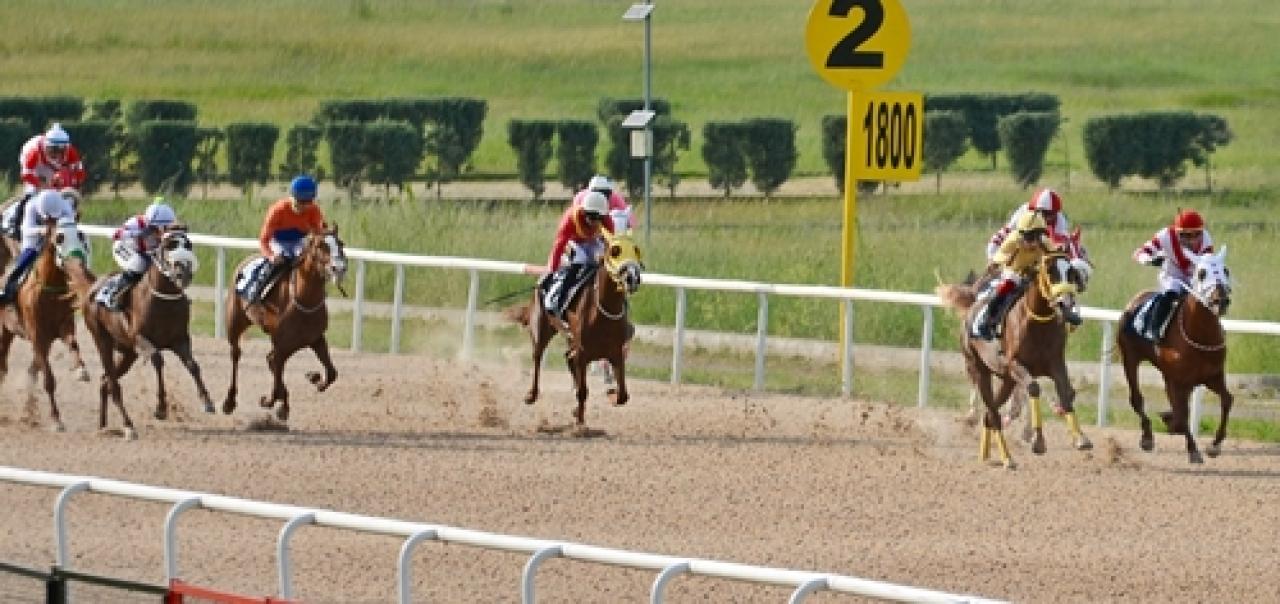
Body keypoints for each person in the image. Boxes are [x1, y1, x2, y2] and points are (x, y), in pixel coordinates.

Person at [1131, 209, 1216, 342]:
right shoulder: (1164, 235)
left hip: (1193, 277)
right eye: (1185, 235)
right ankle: (1154, 329)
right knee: (1172, 291)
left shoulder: (1206, 239)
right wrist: (1150, 259)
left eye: (1196, 235)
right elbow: (1140, 252)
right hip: (1171, 275)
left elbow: (1208, 263)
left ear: (1201, 232)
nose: (1192, 240)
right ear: (1177, 232)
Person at [971, 211, 1058, 340]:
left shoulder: (1045, 243)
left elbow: (1056, 256)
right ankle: (987, 320)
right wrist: (993, 264)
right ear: (1021, 235)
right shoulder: (1013, 240)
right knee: (1007, 286)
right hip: (1014, 272)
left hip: (1036, 275)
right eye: (1029, 238)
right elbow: (999, 257)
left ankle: (1065, 319)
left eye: (1037, 237)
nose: (1034, 243)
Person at [245, 175, 326, 308]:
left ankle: (317, 293)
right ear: (291, 197)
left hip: (299, 240)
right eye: (299, 203)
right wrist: (271, 256)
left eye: (307, 203)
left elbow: (320, 231)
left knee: (310, 259)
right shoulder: (277, 210)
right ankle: (256, 294)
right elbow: (264, 240)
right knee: (281, 259)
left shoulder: (313, 210)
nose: (303, 207)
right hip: (278, 241)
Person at [544, 191, 614, 321]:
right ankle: (561, 300)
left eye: (599, 218)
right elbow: (559, 245)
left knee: (602, 261)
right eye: (592, 217)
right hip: (573, 242)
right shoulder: (570, 218)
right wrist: (552, 270)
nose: (595, 222)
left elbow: (611, 243)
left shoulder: (606, 219)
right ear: (583, 212)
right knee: (580, 259)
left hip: (593, 240)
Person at [6, 124, 85, 239]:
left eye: (59, 151)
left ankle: (70, 228)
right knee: (31, 192)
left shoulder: (71, 152)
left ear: (65, 148)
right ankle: (14, 224)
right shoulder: (34, 151)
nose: (55, 154)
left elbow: (80, 173)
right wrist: (41, 185)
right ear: (46, 146)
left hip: (52, 168)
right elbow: (26, 175)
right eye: (52, 150)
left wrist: (74, 187)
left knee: (65, 196)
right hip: (35, 165)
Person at [0, 189, 78, 305]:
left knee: (76, 255)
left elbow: (71, 226)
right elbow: (26, 230)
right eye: (49, 219)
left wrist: (58, 231)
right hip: (33, 239)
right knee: (25, 260)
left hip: (60, 234)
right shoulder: (31, 206)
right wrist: (41, 230)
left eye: (54, 219)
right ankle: (8, 291)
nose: (51, 221)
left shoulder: (65, 207)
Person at [105, 198, 178, 310]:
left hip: (147, 252)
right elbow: (113, 234)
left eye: (165, 226)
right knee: (140, 265)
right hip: (125, 248)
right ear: (149, 223)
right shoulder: (137, 222)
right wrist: (137, 233)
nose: (162, 230)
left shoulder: (167, 226)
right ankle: (114, 294)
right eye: (157, 227)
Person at [986, 188, 1072, 261]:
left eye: (1051, 214)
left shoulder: (1060, 220)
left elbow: (1061, 245)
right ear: (1035, 210)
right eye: (1044, 213)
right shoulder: (1023, 213)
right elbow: (1006, 233)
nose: (1048, 218)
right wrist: (992, 255)